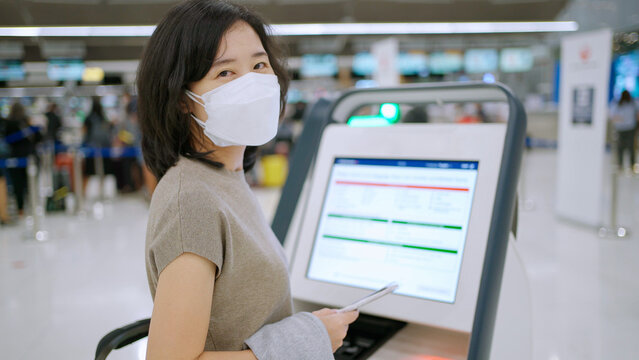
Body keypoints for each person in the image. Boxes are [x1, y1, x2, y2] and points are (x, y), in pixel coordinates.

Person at [137, 1, 358, 359]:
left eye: (259, 65)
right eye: (225, 73)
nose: (252, 84)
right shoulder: (191, 199)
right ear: (181, 99)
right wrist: (306, 339)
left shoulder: (225, 177)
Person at [5, 102, 41, 217]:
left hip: (15, 157)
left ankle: (21, 209)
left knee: (18, 185)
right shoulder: (25, 123)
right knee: (29, 184)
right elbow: (39, 138)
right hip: (28, 157)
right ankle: (31, 206)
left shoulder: (9, 123)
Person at [83, 97, 113, 181]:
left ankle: (85, 191)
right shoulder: (103, 118)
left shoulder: (88, 118)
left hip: (91, 148)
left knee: (89, 172)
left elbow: (84, 132)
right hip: (104, 148)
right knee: (104, 171)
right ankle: (102, 187)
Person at [610, 90, 639, 171]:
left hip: (630, 128)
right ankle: (620, 164)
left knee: (630, 147)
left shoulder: (633, 103)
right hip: (622, 128)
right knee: (621, 147)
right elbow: (613, 116)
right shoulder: (617, 104)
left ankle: (632, 165)